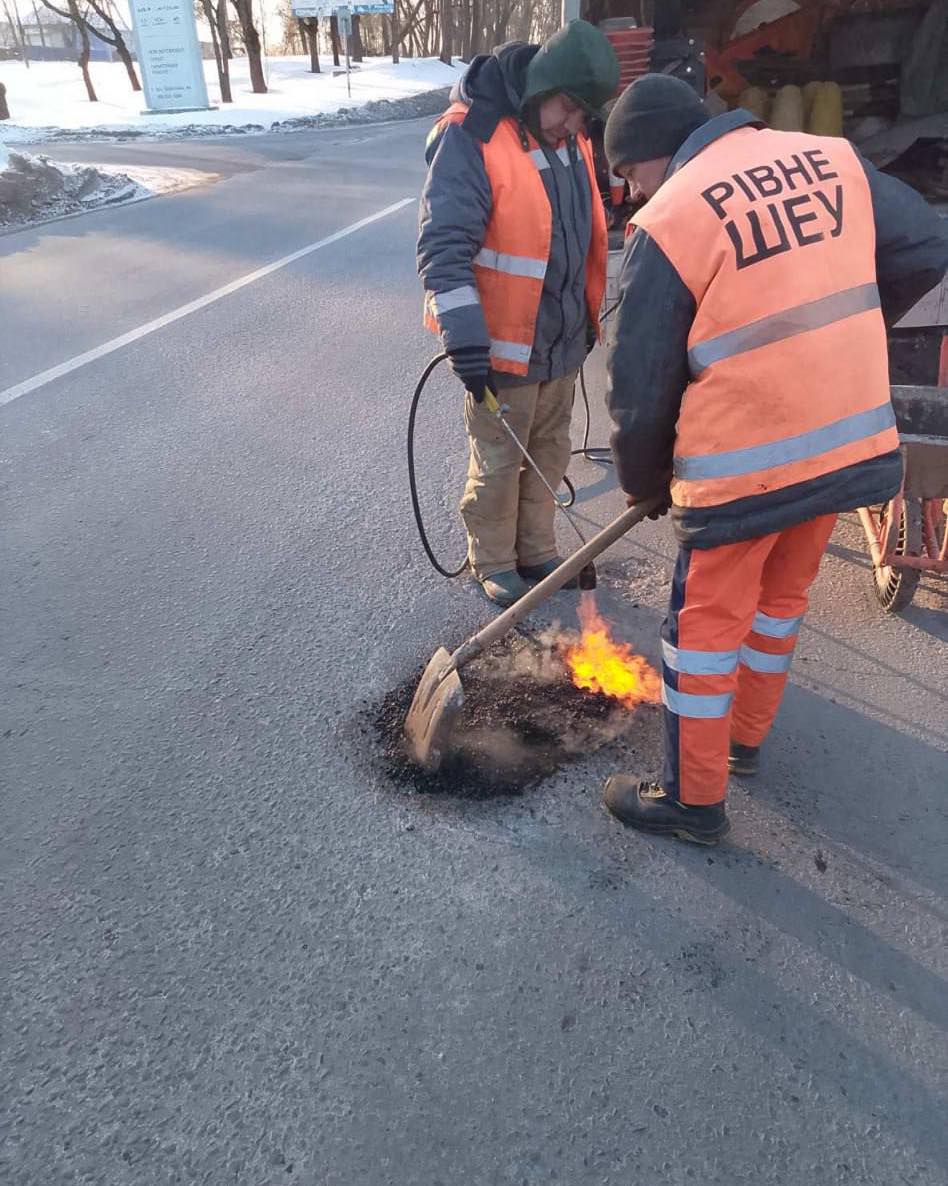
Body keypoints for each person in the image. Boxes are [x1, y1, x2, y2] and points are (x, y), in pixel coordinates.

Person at [600, 74, 948, 844]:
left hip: (743, 469)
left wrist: (643, 481)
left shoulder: (674, 216)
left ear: (657, 150)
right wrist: (847, 335)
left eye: (630, 174)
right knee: (778, 604)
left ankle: (693, 801)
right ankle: (744, 741)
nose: (633, 193)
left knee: (703, 633)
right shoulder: (829, 160)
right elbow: (927, 248)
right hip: (843, 441)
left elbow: (640, 383)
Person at [417, 21, 619, 607]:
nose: (574, 125)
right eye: (568, 108)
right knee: (501, 458)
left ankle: (536, 549)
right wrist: (465, 342)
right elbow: (443, 249)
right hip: (502, 345)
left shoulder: (569, 136)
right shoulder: (471, 135)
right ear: (543, 85)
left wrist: (584, 320)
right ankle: (495, 560)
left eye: (584, 115)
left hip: (562, 337)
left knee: (550, 449)